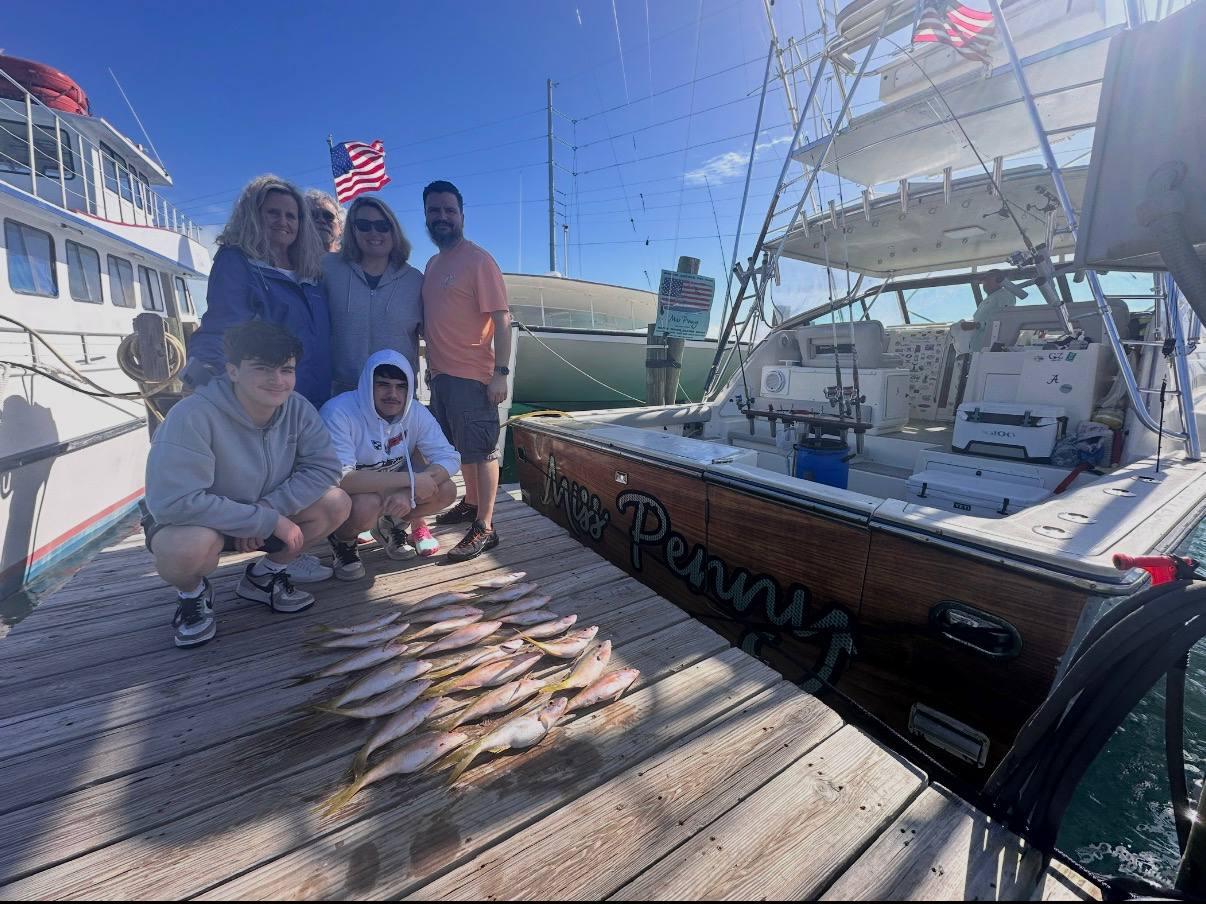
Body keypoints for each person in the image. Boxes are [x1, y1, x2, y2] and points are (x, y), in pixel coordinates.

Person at [143, 321, 351, 649]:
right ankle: (192, 594)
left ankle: (264, 577)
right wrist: (263, 520)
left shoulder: (298, 408)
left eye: (286, 369)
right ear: (233, 371)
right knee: (181, 551)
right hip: (203, 524)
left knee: (336, 502)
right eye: (262, 368)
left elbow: (325, 469)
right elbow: (172, 501)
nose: (277, 380)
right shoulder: (192, 415)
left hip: (266, 511)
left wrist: (268, 511)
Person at [181, 175, 333, 411]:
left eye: (291, 216)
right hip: (268, 406)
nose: (283, 221)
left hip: (316, 403)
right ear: (254, 215)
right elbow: (221, 328)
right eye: (273, 213)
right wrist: (204, 379)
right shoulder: (237, 262)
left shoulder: (310, 271)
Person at [420, 180, 512, 563]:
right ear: (426, 216)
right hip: (441, 377)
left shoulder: (478, 260)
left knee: (484, 451)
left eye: (449, 210)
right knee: (464, 452)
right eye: (434, 211)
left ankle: (485, 526)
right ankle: (471, 504)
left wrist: (501, 372)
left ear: (461, 216)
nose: (442, 217)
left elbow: (502, 319)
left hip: (474, 375)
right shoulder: (432, 264)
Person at [320, 350, 460, 575]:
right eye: (383, 385)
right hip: (353, 493)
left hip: (393, 485)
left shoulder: (416, 412)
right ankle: (343, 541)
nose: (393, 394)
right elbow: (340, 478)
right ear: (367, 385)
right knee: (367, 505)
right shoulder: (338, 412)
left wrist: (407, 492)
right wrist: (411, 481)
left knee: (446, 490)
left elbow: (449, 456)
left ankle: (391, 526)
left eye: (401, 386)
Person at [323, 195, 424, 394]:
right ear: (352, 229)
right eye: (363, 225)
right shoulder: (327, 268)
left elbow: (436, 335)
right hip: (340, 396)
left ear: (393, 230)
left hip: (396, 399)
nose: (373, 232)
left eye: (382, 225)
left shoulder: (415, 281)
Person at [959, 270, 1018, 353]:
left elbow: (1004, 321)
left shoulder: (1004, 296)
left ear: (999, 280)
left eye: (987, 279)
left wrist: (977, 325)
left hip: (991, 350)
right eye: (983, 280)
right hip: (979, 350)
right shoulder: (988, 299)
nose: (984, 282)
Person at [306, 189, 344, 253]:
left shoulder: (353, 262)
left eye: (328, 216)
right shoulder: (289, 262)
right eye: (312, 215)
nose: (321, 220)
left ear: (340, 227)